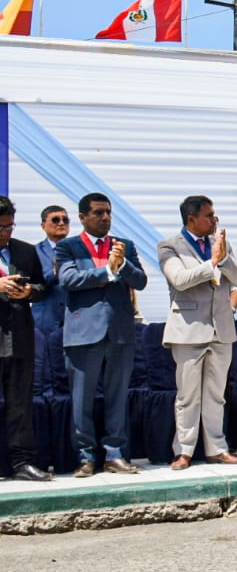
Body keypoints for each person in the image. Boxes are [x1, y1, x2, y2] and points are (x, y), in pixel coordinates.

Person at [56, 192, 148, 477]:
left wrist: (122, 264)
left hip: (120, 333)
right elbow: (69, 280)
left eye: (107, 212)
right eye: (98, 213)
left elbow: (141, 281)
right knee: (81, 400)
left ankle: (115, 454)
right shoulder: (69, 247)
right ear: (83, 217)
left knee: (117, 397)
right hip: (83, 334)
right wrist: (107, 270)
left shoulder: (124, 246)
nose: (104, 217)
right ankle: (85, 457)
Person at [159, 195, 237, 470]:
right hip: (188, 330)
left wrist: (222, 261)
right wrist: (211, 263)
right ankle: (184, 451)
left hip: (220, 328)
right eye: (209, 216)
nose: (214, 220)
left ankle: (217, 448)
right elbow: (180, 280)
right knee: (187, 395)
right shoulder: (169, 246)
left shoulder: (220, 244)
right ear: (191, 219)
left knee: (216, 394)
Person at [0, 196, 52, 481]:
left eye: (9, 227)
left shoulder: (24, 250)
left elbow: (43, 286)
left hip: (19, 337)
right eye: (0, 228)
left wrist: (29, 292)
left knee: (20, 405)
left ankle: (22, 464)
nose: (5, 233)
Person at [32, 204, 69, 335]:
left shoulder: (79, 250)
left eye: (65, 220)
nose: (61, 223)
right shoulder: (34, 252)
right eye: (55, 220)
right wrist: (54, 272)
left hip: (74, 323)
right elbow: (33, 283)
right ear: (43, 226)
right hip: (45, 321)